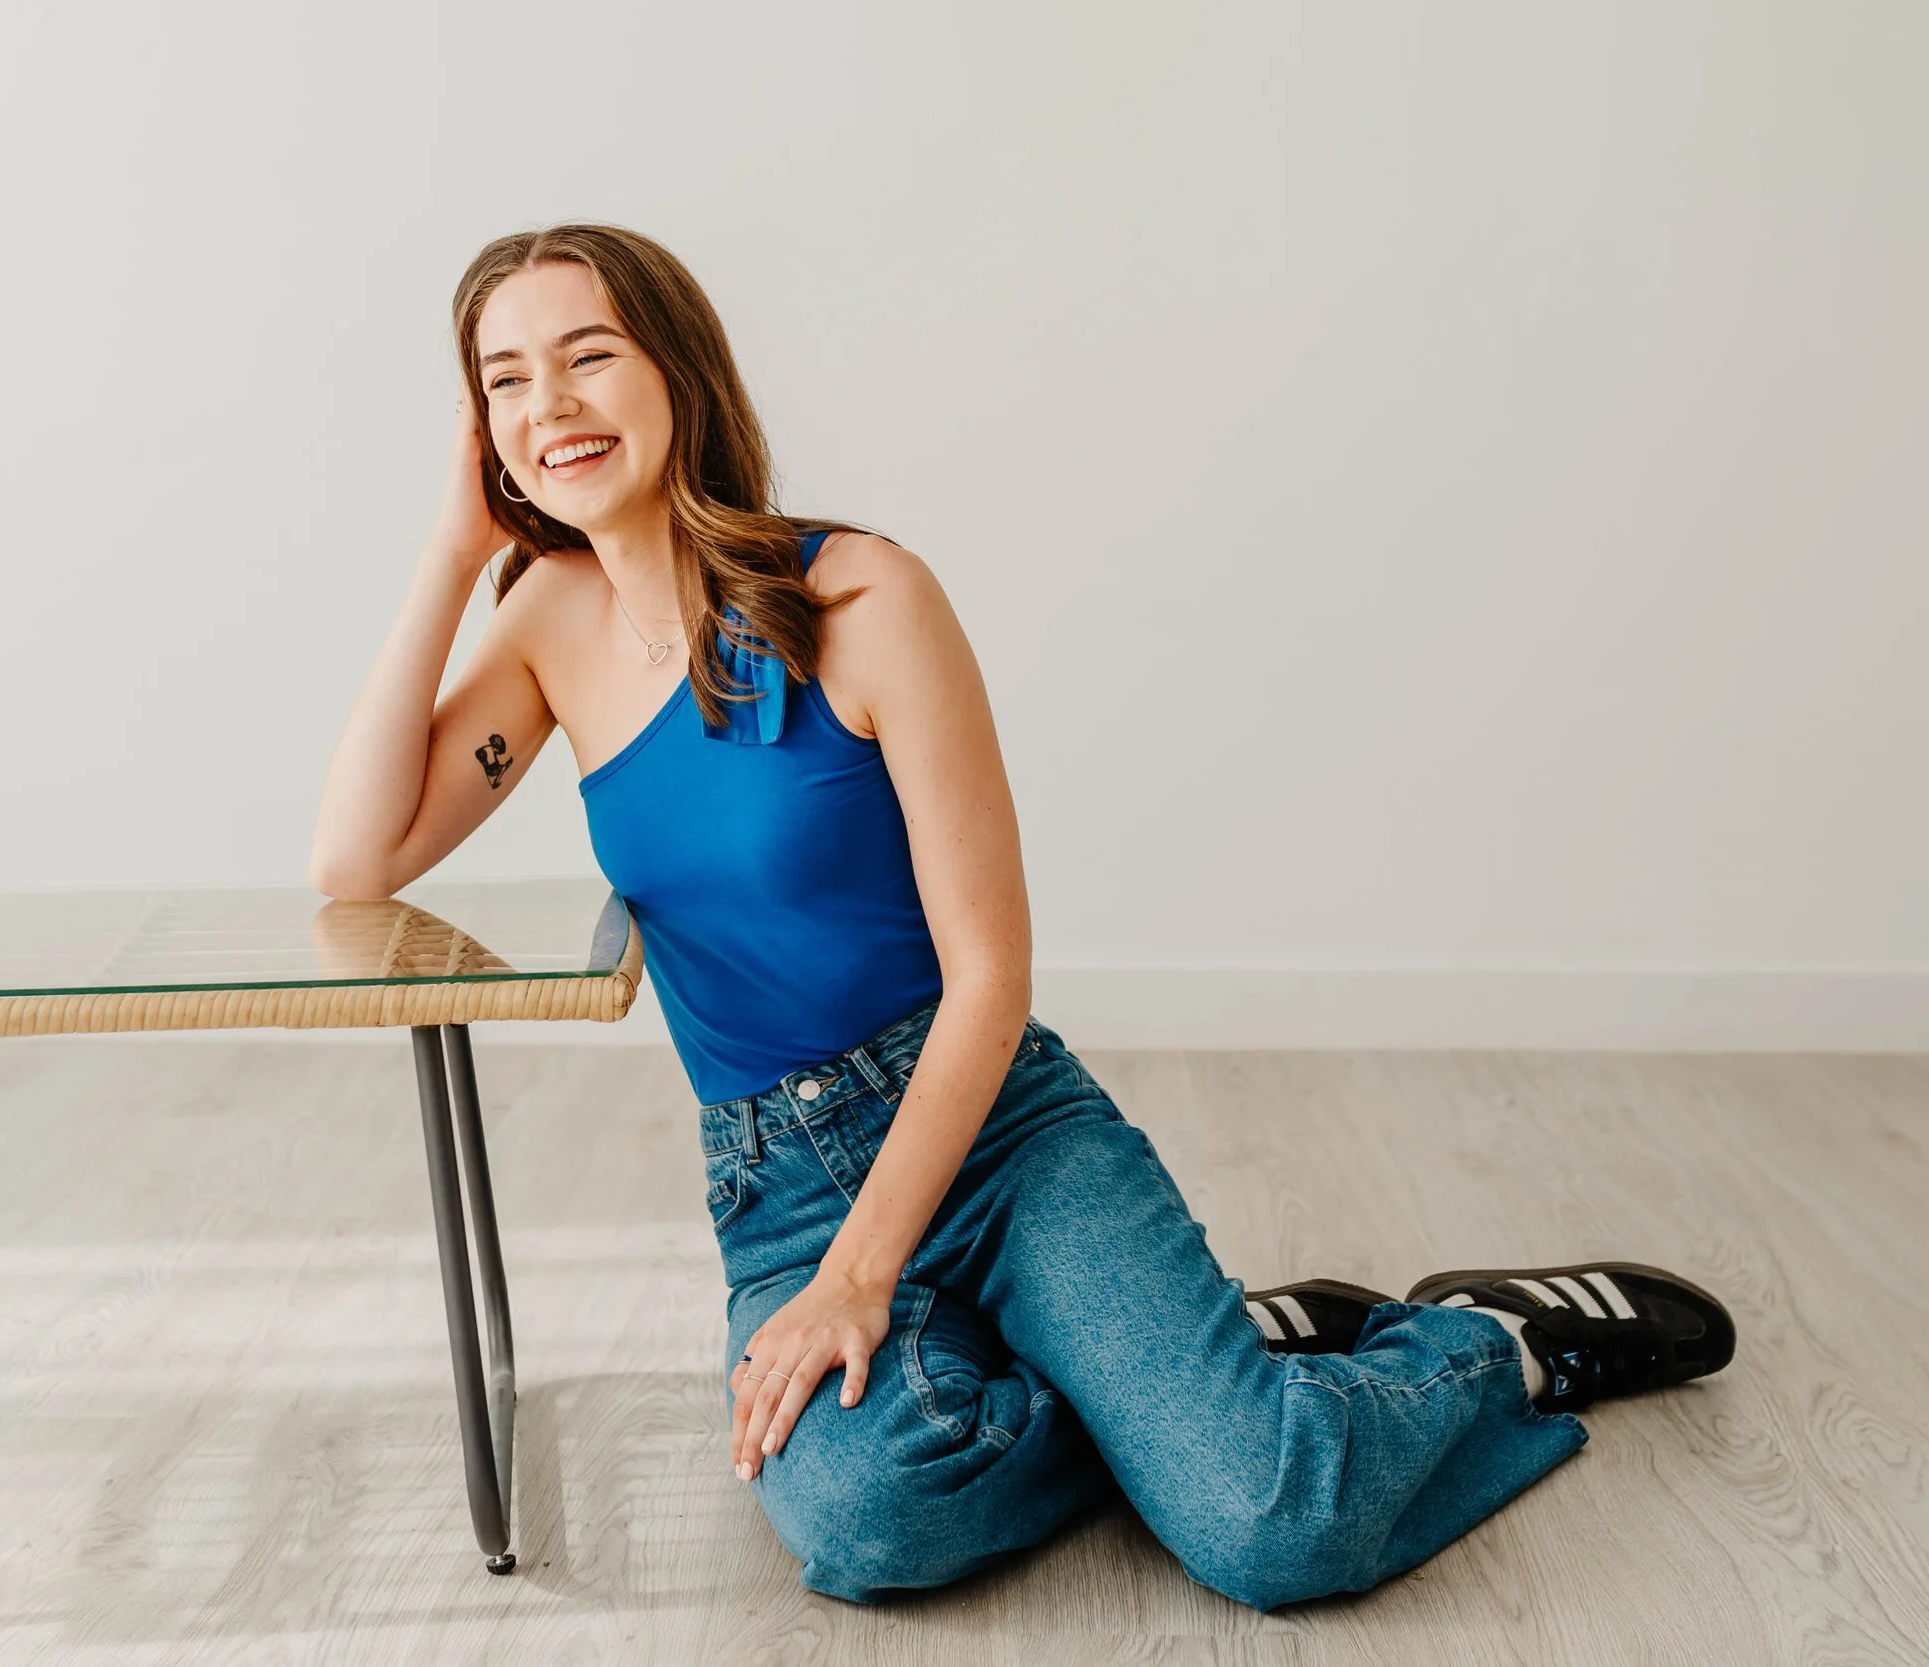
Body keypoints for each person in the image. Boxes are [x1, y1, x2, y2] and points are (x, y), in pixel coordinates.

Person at [309, 223, 1736, 1609]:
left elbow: (991, 978)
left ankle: (1489, 1345)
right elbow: (357, 858)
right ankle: (1190, 1377)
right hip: (781, 1188)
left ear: (678, 372)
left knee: (1270, 1522)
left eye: (587, 355)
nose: (547, 403)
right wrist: (448, 553)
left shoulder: (861, 594)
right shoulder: (544, 625)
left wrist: (869, 1277)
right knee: (871, 1516)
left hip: (994, 1125)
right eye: (504, 378)